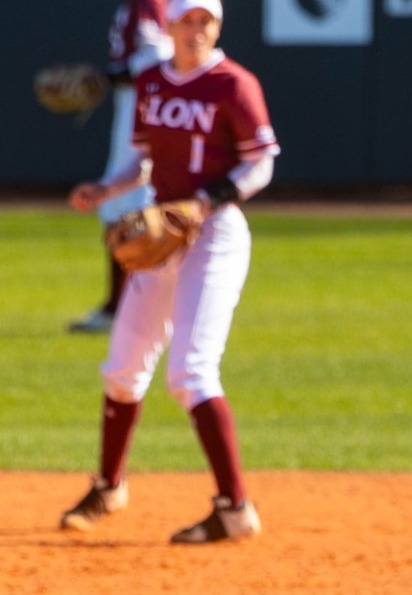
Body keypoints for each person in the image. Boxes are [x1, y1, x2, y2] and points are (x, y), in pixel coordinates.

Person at [63, 0, 276, 544]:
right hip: (164, 233)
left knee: (191, 373)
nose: (198, 29)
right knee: (121, 368)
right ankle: (108, 487)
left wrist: (205, 201)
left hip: (214, 235)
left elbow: (260, 163)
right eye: (188, 20)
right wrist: (105, 189)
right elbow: (143, 160)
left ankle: (235, 509)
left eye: (207, 20)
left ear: (218, 26)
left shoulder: (234, 84)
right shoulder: (154, 83)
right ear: (171, 26)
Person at [70, 0, 172, 335]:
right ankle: (120, 306)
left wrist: (110, 76)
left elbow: (159, 55)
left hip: (145, 101)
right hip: (134, 100)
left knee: (132, 206)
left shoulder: (150, 2)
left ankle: (139, 309)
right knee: (118, 205)